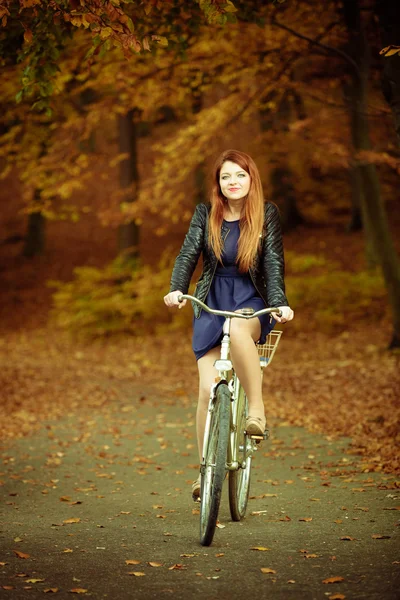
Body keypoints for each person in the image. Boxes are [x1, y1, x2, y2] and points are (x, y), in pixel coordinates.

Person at [163, 149, 294, 499]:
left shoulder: (266, 214)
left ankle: (256, 410)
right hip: (211, 300)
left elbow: (273, 263)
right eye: (225, 176)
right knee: (207, 390)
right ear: (218, 184)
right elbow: (188, 253)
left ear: (251, 179)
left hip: (251, 300)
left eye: (239, 175)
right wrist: (176, 289)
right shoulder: (205, 214)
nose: (232, 182)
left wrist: (279, 302)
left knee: (239, 330)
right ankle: (206, 467)